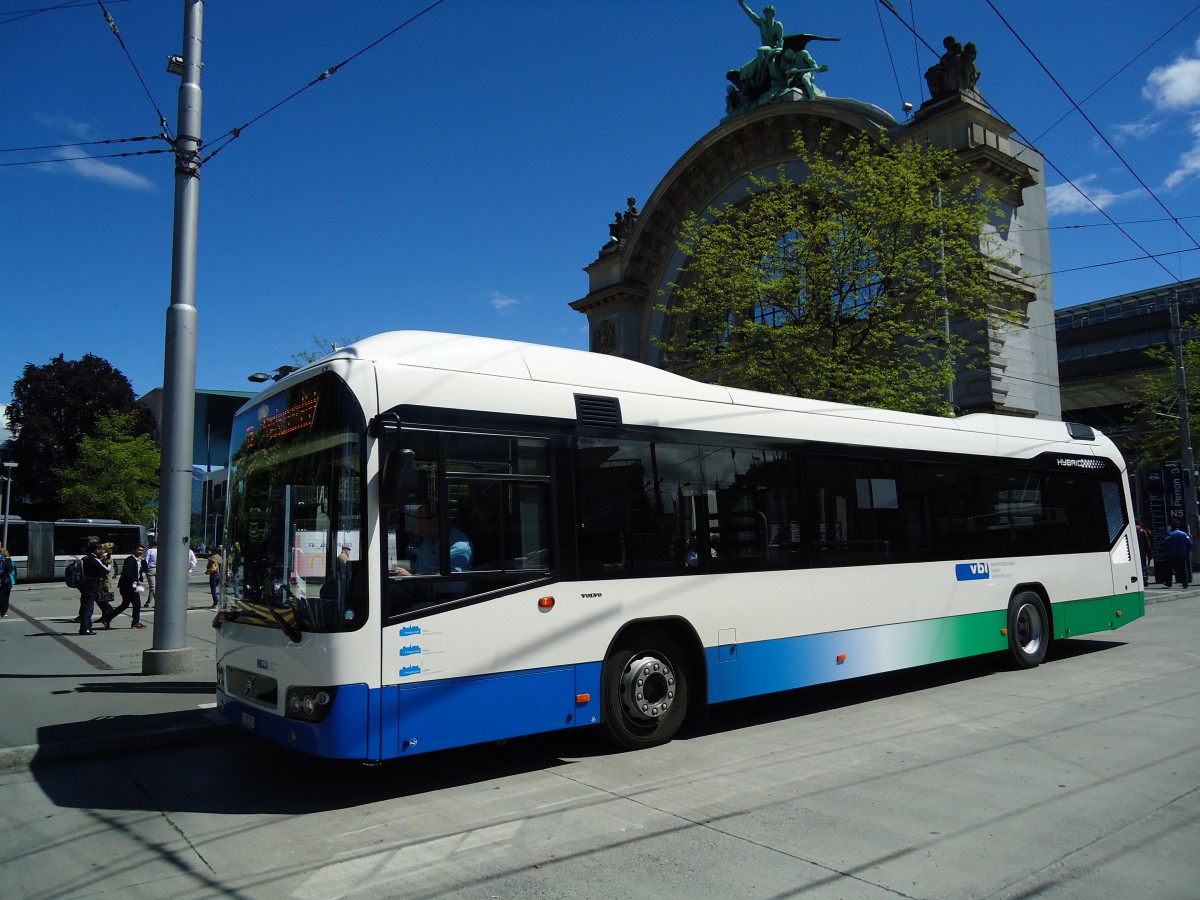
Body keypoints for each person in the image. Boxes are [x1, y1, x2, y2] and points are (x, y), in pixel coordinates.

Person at [393, 504, 473, 576]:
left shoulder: (459, 545)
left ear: (437, 521)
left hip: (443, 588)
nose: (420, 532)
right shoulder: (429, 540)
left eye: (423, 527)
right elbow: (420, 568)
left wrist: (410, 577)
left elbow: (447, 575)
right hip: (419, 585)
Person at [106, 544, 147, 629]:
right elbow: (127, 572)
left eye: (142, 550)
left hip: (135, 585)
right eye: (139, 550)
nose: (141, 552)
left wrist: (143, 561)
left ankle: (107, 618)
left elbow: (145, 569)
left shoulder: (139, 560)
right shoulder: (130, 560)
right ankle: (135, 623)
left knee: (125, 604)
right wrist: (136, 580)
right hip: (127, 586)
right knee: (136, 604)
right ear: (134, 550)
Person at [77, 540, 111, 635]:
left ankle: (88, 626)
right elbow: (106, 571)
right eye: (100, 549)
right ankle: (85, 628)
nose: (101, 551)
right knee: (88, 608)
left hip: (85, 586)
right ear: (96, 549)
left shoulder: (86, 558)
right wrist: (108, 563)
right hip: (92, 587)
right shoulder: (94, 559)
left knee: (87, 607)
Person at [1162, 521, 1193, 588]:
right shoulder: (1184, 534)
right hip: (1182, 554)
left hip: (1172, 554)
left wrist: (1167, 551)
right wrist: (1186, 550)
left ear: (1172, 527)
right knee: (1183, 569)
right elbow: (1190, 544)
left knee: (1169, 569)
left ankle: (1168, 583)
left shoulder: (1170, 535)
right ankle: (1185, 583)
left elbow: (1167, 545)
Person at [143, 537, 158, 609]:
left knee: (152, 587)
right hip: (158, 569)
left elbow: (146, 560)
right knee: (155, 587)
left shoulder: (150, 551)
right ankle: (148, 602)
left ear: (152, 544)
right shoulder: (160, 550)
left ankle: (158, 602)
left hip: (151, 569)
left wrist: (144, 569)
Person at [0, 546, 14, 618]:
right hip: (5, 581)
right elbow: (10, 569)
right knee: (5, 597)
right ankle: (3, 611)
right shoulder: (6, 560)